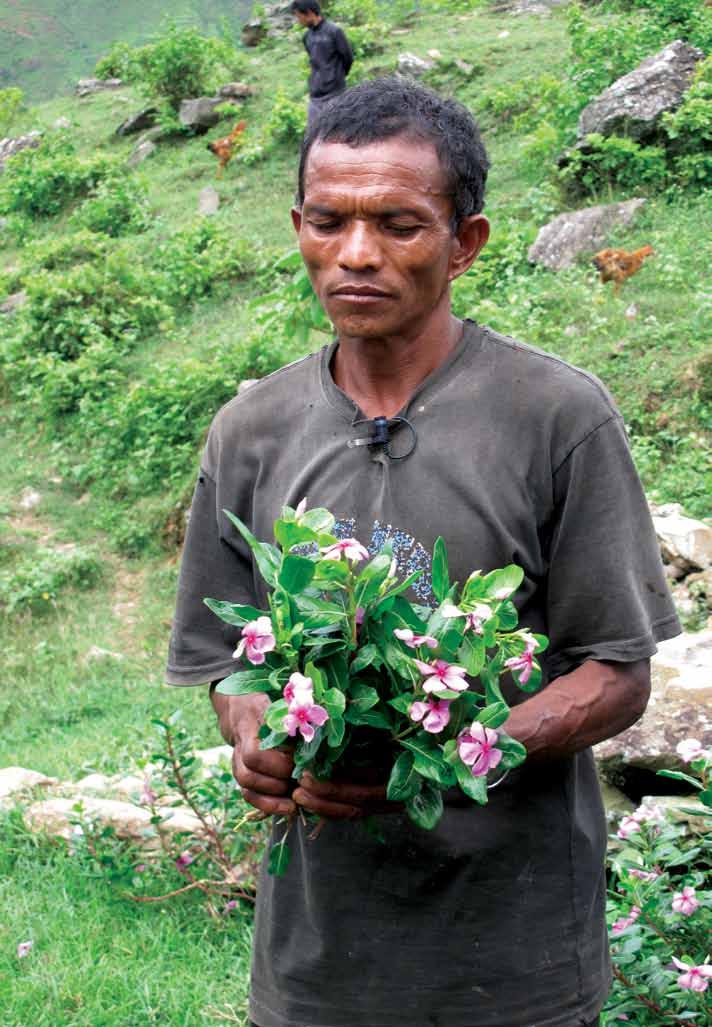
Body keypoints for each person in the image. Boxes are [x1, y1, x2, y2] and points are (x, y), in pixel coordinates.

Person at [166, 78, 681, 1027]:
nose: (355, 254)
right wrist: (252, 734)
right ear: (299, 226)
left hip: (513, 959)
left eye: (399, 225)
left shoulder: (557, 417)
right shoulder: (252, 429)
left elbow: (617, 673)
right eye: (328, 221)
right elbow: (221, 658)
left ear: (464, 242)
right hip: (319, 965)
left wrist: (448, 752)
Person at [291, 0, 353, 126]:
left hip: (335, 92)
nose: (298, 20)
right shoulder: (307, 37)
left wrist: (336, 76)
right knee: (314, 134)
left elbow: (348, 58)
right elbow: (314, 62)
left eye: (299, 16)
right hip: (316, 94)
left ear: (308, 13)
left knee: (337, 131)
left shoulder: (335, 32)